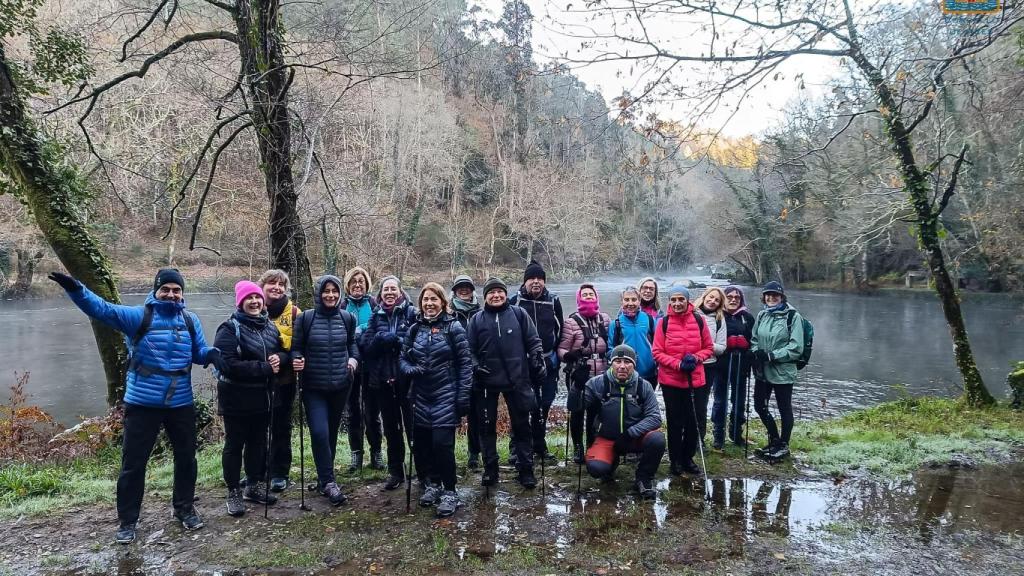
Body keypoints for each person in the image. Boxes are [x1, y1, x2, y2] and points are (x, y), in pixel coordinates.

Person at [47, 268, 221, 544]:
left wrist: (211, 354)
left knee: (186, 458)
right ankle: (128, 521)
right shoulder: (138, 316)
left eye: (177, 290)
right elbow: (101, 309)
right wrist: (75, 287)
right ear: (155, 291)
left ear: (182, 294)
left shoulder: (190, 320)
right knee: (133, 463)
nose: (172, 294)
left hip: (181, 403)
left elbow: (198, 353)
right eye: (166, 289)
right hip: (142, 404)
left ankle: (184, 509)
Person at [214, 280, 288, 516]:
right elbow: (227, 365)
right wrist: (265, 368)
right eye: (249, 299)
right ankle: (234, 491)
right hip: (236, 399)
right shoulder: (228, 329)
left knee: (258, 443)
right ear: (241, 302)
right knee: (235, 445)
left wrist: (280, 360)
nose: (255, 302)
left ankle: (253, 485)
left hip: (264, 398)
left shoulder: (269, 327)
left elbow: (279, 352)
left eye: (257, 298)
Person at [400, 283, 473, 517]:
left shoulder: (454, 328)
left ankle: (450, 491)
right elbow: (403, 359)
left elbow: (465, 365)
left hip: (446, 395)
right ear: (420, 304)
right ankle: (432, 485)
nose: (429, 304)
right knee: (422, 446)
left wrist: (462, 397)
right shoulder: (414, 329)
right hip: (420, 397)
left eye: (434, 299)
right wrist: (412, 370)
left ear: (443, 302)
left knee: (443, 445)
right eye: (425, 300)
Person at [467, 277, 546, 489]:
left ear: (505, 293)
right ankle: (490, 470)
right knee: (486, 428)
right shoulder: (476, 320)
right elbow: (469, 349)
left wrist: (537, 360)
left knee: (522, 427)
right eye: (491, 293)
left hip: (517, 378)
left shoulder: (519, 314)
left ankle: (526, 469)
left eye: (500, 292)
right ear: (485, 297)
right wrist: (475, 367)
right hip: (486, 381)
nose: (496, 296)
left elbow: (533, 341)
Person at [291, 275, 359, 506]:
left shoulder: (347, 318)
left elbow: (352, 345)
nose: (330, 295)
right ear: (319, 293)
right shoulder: (305, 319)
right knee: (319, 433)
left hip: (341, 385)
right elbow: (296, 348)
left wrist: (353, 361)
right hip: (313, 387)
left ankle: (324, 479)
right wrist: (297, 359)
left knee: (329, 433)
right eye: (326, 291)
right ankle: (329, 483)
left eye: (334, 291)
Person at [583, 345, 665, 499]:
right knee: (596, 469)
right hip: (607, 438)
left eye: (627, 362)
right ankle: (610, 464)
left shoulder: (643, 386)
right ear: (611, 363)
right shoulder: (597, 383)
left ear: (634, 365)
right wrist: (576, 388)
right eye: (617, 361)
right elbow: (576, 407)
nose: (622, 366)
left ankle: (643, 478)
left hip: (633, 438)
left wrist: (630, 433)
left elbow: (655, 418)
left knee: (657, 440)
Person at [360, 275, 418, 490]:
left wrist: (398, 341)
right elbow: (366, 348)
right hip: (383, 381)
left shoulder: (412, 313)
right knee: (391, 429)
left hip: (408, 380)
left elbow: (418, 345)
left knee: (414, 427)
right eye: (386, 290)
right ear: (381, 294)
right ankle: (396, 471)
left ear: (400, 291)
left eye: (393, 289)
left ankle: (423, 470)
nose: (390, 293)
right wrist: (380, 340)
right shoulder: (376, 316)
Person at [651, 285, 714, 475]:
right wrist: (678, 364)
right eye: (673, 300)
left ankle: (688, 458)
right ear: (669, 301)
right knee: (675, 422)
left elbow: (709, 348)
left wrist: (695, 358)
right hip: (671, 381)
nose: (677, 303)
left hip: (695, 380)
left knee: (694, 420)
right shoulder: (663, 323)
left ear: (688, 301)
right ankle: (675, 460)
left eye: (681, 299)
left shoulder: (699, 320)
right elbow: (657, 352)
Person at [508, 260, 564, 465]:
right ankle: (517, 449)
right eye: (532, 278)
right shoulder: (514, 301)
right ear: (525, 281)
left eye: (540, 278)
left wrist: (556, 358)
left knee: (544, 404)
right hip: (522, 364)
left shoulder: (553, 300)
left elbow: (560, 330)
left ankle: (539, 445)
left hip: (548, 361)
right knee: (521, 407)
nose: (536, 282)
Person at [557, 283, 612, 464]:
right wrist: (569, 356)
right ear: (579, 298)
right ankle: (578, 447)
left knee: (595, 411)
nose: (588, 296)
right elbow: (561, 349)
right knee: (578, 411)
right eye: (585, 294)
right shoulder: (571, 322)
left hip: (602, 372)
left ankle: (591, 444)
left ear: (596, 297)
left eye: (591, 294)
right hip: (579, 373)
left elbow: (613, 342)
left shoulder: (605, 320)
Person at [750, 281, 805, 460]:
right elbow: (754, 338)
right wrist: (756, 351)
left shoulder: (793, 316)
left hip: (783, 370)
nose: (771, 298)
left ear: (782, 297)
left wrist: (773, 355)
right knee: (759, 405)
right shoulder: (762, 315)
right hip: (763, 370)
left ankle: (784, 445)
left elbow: (796, 347)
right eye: (768, 295)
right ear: (764, 297)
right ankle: (774, 440)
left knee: (784, 408)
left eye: (775, 295)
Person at [258, 269, 300, 492]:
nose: (276, 288)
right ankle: (257, 470)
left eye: (281, 284)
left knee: (281, 426)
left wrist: (283, 356)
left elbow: (299, 345)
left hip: (284, 379)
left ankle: (279, 472)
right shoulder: (253, 305)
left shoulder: (294, 313)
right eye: (271, 283)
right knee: (256, 427)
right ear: (262, 286)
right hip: (256, 380)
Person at [342, 266, 384, 473]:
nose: (357, 285)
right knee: (353, 412)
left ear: (367, 284)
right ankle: (356, 455)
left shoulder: (375, 304)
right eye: (353, 281)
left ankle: (376, 452)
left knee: (372, 412)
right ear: (348, 285)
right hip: (349, 366)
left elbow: (380, 329)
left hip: (371, 366)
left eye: (361, 281)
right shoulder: (342, 306)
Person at [449, 275, 482, 469]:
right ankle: (448, 453)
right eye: (460, 287)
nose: (464, 290)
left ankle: (474, 454)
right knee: (451, 414)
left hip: (476, 371)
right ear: (454, 291)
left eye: (467, 287)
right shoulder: (449, 313)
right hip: (453, 371)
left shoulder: (480, 312)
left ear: (472, 290)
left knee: (476, 415)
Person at [718, 286, 755, 448]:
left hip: (741, 365)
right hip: (721, 365)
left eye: (737, 297)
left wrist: (747, 348)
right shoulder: (717, 316)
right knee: (720, 401)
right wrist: (727, 344)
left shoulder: (747, 318)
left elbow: (754, 341)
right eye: (729, 297)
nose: (733, 300)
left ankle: (736, 433)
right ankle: (718, 436)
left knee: (739, 401)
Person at [694, 287, 727, 447]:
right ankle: (683, 438)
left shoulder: (720, 319)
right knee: (685, 403)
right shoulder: (690, 313)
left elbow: (721, 347)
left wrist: (704, 343)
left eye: (717, 300)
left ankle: (699, 439)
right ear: (704, 296)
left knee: (701, 404)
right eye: (711, 297)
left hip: (708, 366)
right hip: (689, 365)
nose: (712, 301)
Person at [606, 287, 657, 389]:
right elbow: (610, 349)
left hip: (649, 373)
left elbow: (658, 344)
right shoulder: (616, 324)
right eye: (626, 300)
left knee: (647, 403)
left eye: (634, 300)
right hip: (626, 375)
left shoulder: (650, 320)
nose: (630, 303)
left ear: (639, 301)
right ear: (622, 301)